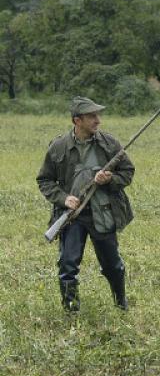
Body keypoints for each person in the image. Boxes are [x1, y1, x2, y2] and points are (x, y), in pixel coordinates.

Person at [37, 96, 135, 312]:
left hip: (103, 213)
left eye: (98, 115)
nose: (98, 120)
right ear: (77, 121)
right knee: (67, 266)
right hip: (73, 217)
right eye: (92, 116)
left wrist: (110, 179)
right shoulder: (58, 146)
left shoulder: (110, 144)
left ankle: (121, 306)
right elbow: (44, 180)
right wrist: (64, 198)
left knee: (113, 266)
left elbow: (128, 172)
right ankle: (71, 312)